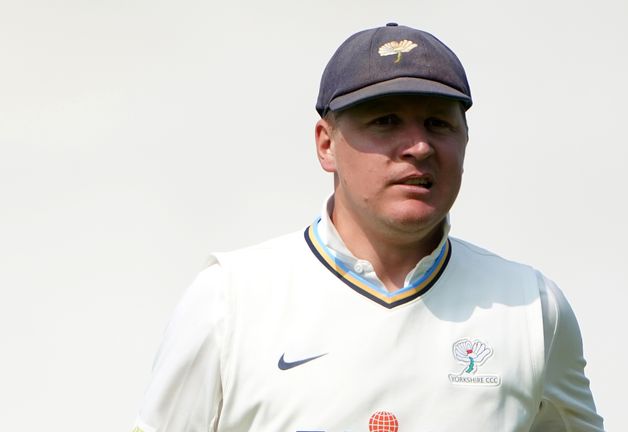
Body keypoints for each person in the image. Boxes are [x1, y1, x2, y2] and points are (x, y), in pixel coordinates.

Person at [132, 23, 604, 432]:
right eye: (385, 122)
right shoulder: (229, 299)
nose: (418, 147)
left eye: (438, 124)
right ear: (326, 144)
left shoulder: (530, 306)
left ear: (465, 140)